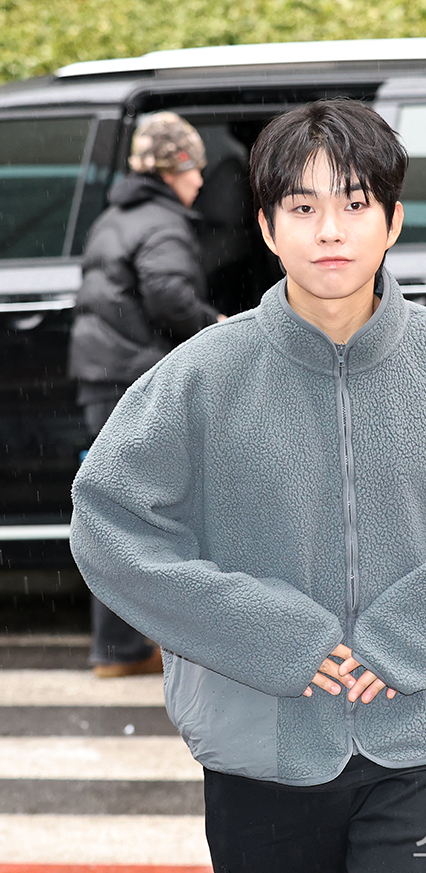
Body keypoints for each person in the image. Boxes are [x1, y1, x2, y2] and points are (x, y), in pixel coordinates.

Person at [69, 99, 426, 870]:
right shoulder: (200, 377)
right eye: (303, 208)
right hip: (260, 748)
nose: (330, 231)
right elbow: (110, 523)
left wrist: (408, 633)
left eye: (355, 204)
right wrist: (270, 634)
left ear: (393, 221)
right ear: (268, 228)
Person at [68, 111, 222, 678]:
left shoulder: (113, 217)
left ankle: (118, 648)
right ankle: (143, 646)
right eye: (196, 168)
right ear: (175, 169)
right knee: (160, 510)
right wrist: (218, 327)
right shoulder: (164, 223)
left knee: (114, 512)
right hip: (134, 381)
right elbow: (167, 294)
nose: (201, 180)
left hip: (101, 378)